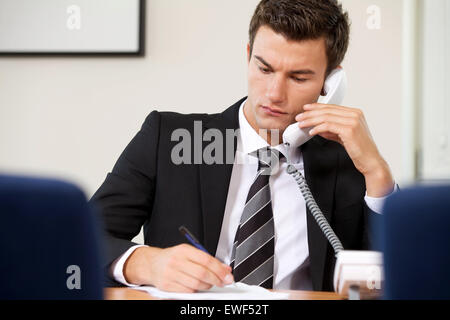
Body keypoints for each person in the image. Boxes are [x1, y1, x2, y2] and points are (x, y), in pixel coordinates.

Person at [90, 0, 395, 293]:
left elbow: (393, 276)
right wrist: (146, 263)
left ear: (330, 84)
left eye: (298, 77)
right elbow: (82, 238)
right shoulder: (168, 139)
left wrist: (377, 174)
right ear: (249, 55)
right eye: (264, 69)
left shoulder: (348, 162)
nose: (274, 94)